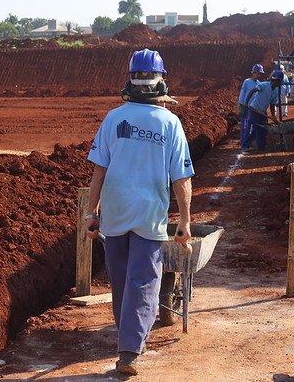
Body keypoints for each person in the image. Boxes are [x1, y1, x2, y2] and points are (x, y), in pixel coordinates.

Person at [84, 48, 194, 376]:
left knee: (120, 280)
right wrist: (186, 220)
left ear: (130, 79)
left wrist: (92, 214)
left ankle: (126, 336)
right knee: (143, 280)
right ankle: (129, 349)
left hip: (115, 213)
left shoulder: (113, 118)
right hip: (149, 215)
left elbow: (98, 173)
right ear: (160, 81)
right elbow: (181, 178)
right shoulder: (170, 123)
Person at [242, 70, 283, 151]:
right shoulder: (264, 85)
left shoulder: (275, 91)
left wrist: (273, 116)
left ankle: (261, 146)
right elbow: (252, 90)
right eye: (278, 81)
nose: (278, 83)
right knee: (251, 129)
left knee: (263, 130)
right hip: (254, 110)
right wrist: (246, 103)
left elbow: (272, 104)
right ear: (276, 80)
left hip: (262, 112)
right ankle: (245, 146)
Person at [238, 64, 265, 147]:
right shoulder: (247, 82)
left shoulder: (259, 84)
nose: (259, 75)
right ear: (254, 72)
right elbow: (242, 94)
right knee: (245, 126)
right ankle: (243, 143)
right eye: (258, 73)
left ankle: (249, 142)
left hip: (253, 109)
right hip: (245, 107)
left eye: (260, 74)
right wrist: (242, 106)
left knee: (252, 127)